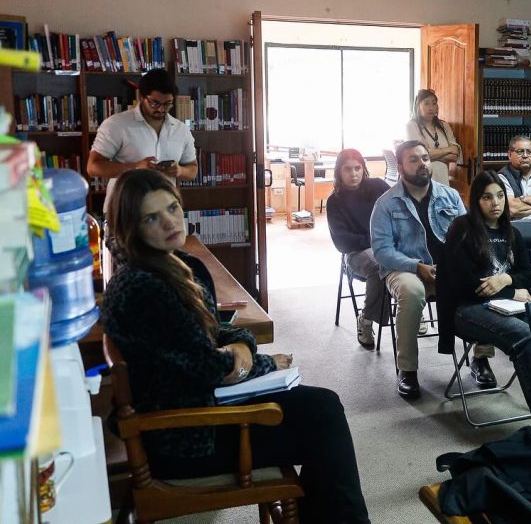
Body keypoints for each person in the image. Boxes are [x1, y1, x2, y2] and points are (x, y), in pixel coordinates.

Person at [100, 169, 370, 524]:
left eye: (172, 208)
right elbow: (212, 367)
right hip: (182, 439)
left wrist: (242, 344)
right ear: (131, 227)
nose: (169, 222)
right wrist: (265, 363)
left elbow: (216, 330)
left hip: (194, 409)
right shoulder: (143, 288)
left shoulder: (172, 266)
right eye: (152, 218)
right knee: (322, 418)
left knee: (320, 408)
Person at [437, 171, 531, 430]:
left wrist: (505, 280)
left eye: (500, 196)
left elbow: (527, 274)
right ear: (476, 201)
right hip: (468, 309)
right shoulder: (462, 229)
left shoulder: (512, 232)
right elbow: (465, 284)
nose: (495, 203)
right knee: (528, 337)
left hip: (508, 305)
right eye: (487, 197)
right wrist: (512, 291)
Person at [370, 140, 466, 399]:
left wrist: (456, 266)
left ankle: (481, 359)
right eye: (414, 160)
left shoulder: (450, 196)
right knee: (411, 291)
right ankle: (408, 370)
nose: (422, 164)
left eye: (425, 158)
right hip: (405, 269)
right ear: (400, 167)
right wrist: (416, 266)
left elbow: (468, 238)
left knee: (480, 281)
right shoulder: (385, 204)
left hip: (445, 269)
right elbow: (382, 251)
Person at [87, 68, 198, 215]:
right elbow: (93, 167)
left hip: (164, 212)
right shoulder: (116, 124)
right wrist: (135, 167)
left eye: (167, 104)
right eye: (154, 103)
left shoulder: (181, 129)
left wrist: (179, 170)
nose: (161, 109)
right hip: (126, 211)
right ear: (140, 96)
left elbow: (193, 170)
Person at [326, 149, 390, 349]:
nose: (353, 174)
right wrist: (376, 241)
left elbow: (400, 210)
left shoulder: (379, 186)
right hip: (356, 253)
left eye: (357, 168)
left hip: (387, 246)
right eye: (347, 169)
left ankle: (413, 310)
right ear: (339, 172)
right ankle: (366, 319)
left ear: (363, 168)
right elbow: (342, 242)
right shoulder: (334, 201)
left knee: (413, 257)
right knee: (380, 266)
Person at [405, 88, 462, 186]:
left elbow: (455, 155)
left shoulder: (444, 126)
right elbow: (419, 155)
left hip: (443, 183)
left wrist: (430, 153)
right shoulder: (411, 126)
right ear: (418, 106)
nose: (431, 108)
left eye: (434, 103)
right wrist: (448, 150)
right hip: (421, 184)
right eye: (426, 103)